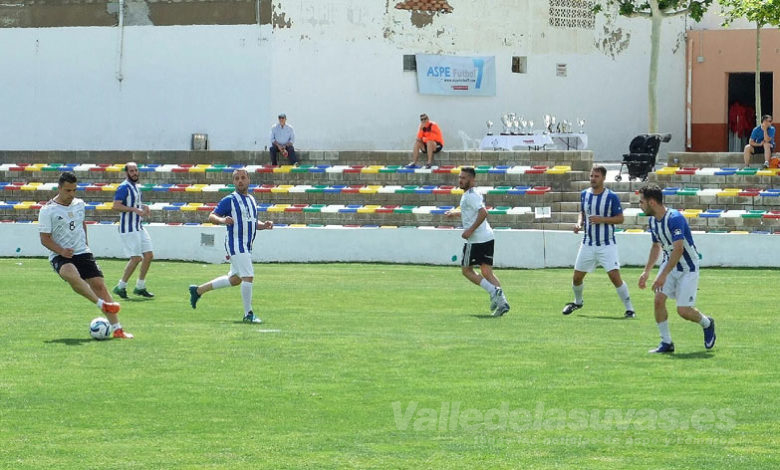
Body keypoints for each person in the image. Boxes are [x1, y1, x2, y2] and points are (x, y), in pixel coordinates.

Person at [38, 172, 133, 339]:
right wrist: (61, 251)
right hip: (60, 254)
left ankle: (118, 330)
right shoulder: (47, 210)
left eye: (74, 190)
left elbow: (82, 224)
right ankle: (102, 305)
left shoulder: (79, 204)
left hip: (82, 251)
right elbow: (44, 239)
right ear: (59, 188)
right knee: (71, 274)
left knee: (99, 285)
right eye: (68, 190)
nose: (72, 194)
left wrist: (86, 246)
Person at [637, 184, 716, 354]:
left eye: (641, 202)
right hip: (669, 264)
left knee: (683, 311)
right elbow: (656, 247)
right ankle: (666, 343)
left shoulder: (675, 218)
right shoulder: (652, 221)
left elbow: (679, 249)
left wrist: (662, 276)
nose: (640, 205)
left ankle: (707, 323)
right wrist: (647, 271)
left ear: (651, 202)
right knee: (658, 300)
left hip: (688, 267)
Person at [189, 168, 273, 323]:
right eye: (236, 179)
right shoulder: (230, 199)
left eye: (242, 178)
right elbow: (212, 216)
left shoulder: (252, 200)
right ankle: (248, 314)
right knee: (248, 276)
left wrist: (264, 225)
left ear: (248, 180)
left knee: (235, 279)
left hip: (246, 245)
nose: (240, 181)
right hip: (236, 244)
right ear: (233, 182)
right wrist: (222, 220)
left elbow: (251, 223)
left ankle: (198, 291)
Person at [562, 165, 635, 318]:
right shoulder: (584, 194)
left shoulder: (611, 197)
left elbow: (620, 219)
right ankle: (578, 302)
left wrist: (602, 219)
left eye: (596, 176)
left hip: (606, 244)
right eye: (591, 176)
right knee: (577, 277)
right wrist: (579, 223)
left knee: (615, 277)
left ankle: (630, 309)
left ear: (603, 178)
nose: (593, 179)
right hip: (587, 243)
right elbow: (582, 212)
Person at [445, 167, 509, 316]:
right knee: (487, 272)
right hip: (487, 237)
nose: (461, 180)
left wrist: (470, 230)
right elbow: (472, 211)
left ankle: (494, 291)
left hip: (476, 240)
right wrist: (456, 213)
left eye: (464, 178)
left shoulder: (470, 196)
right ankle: (502, 303)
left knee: (466, 270)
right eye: (460, 177)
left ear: (472, 180)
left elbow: (483, 212)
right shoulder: (472, 194)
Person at [111, 162, 155, 299]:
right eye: (131, 171)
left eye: (136, 170)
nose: (135, 173)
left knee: (149, 255)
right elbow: (116, 206)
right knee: (136, 258)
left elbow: (134, 203)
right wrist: (134, 209)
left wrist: (143, 206)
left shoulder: (136, 187)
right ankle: (121, 286)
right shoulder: (124, 187)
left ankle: (140, 286)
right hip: (128, 227)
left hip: (138, 226)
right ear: (127, 173)